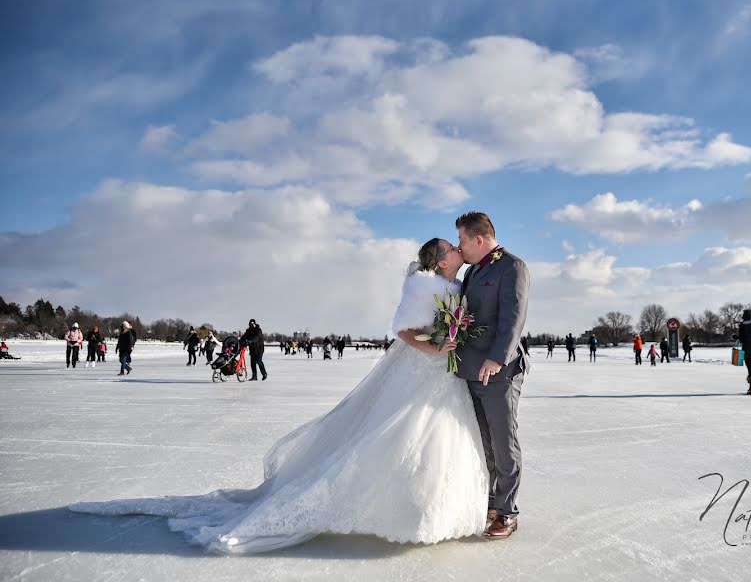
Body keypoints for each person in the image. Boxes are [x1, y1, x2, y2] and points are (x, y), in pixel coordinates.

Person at [70, 237, 488, 553]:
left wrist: (452, 340)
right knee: (398, 435)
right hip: (420, 369)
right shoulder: (422, 283)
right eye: (452, 248)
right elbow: (402, 331)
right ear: (438, 259)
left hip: (441, 375)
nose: (457, 251)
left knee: (431, 437)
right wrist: (435, 347)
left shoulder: (454, 284)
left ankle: (420, 511)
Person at [455, 211, 530, 539]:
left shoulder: (512, 267)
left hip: (499, 371)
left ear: (479, 239)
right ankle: (490, 502)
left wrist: (497, 359)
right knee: (484, 442)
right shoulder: (472, 271)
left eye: (462, 240)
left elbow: (513, 318)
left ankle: (507, 512)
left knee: (503, 442)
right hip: (470, 369)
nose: (460, 247)